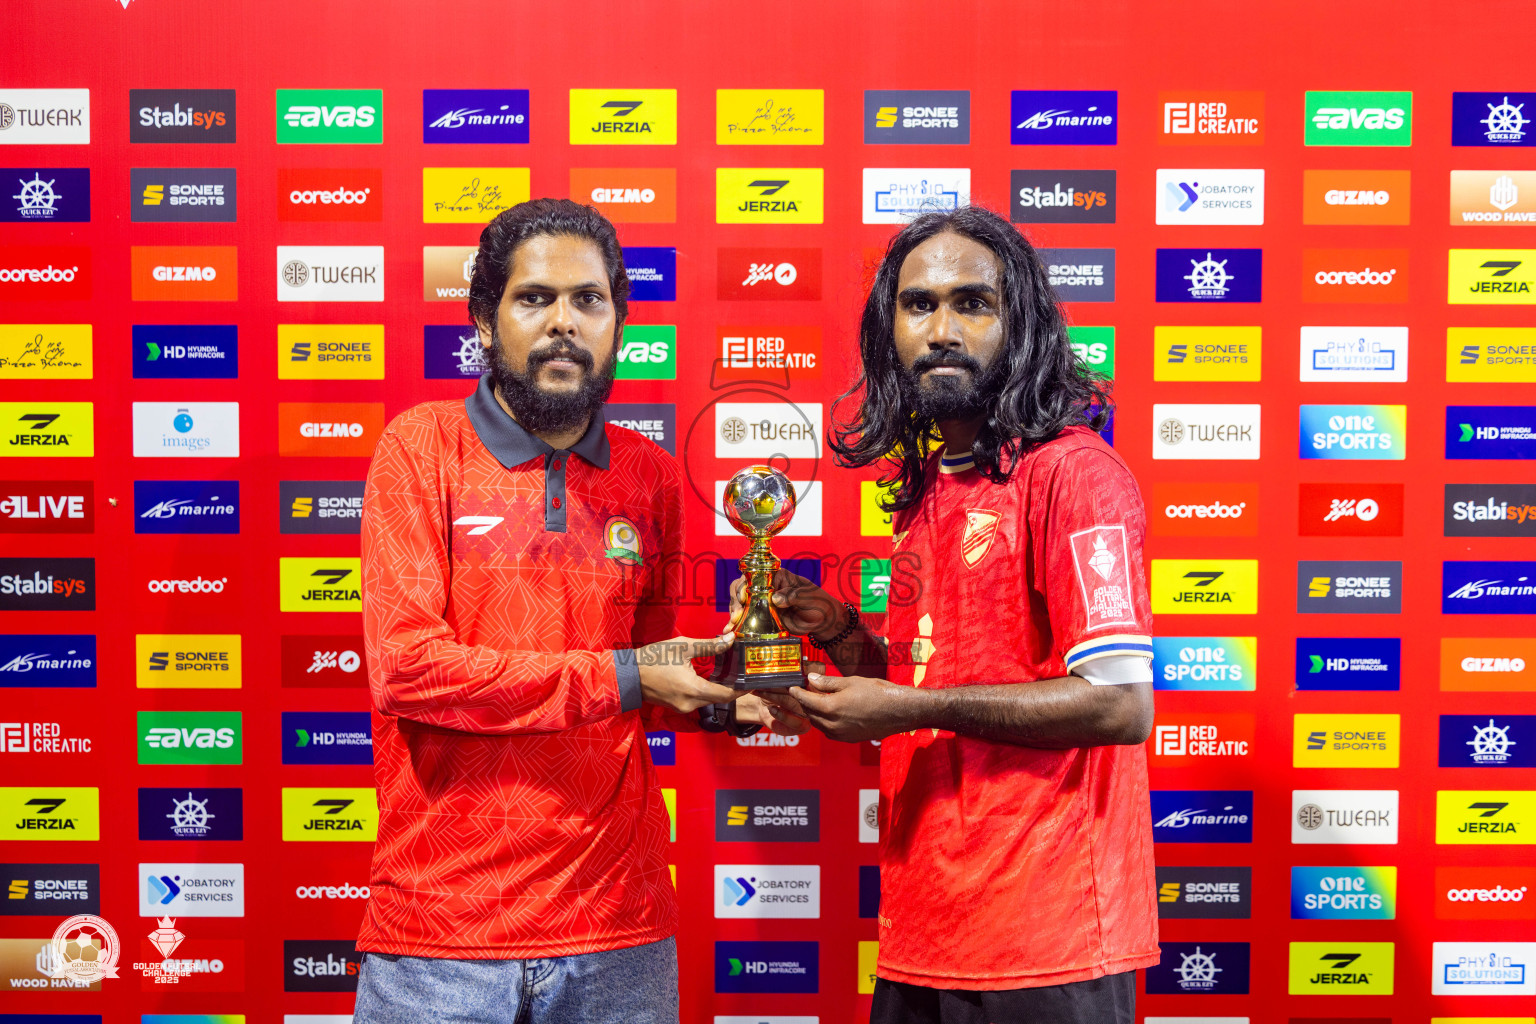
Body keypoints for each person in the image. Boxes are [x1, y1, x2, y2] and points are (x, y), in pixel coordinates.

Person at [355, 198, 793, 1024]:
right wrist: (631, 676)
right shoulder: (421, 448)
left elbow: (665, 675)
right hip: (442, 937)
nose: (564, 323)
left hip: (618, 930)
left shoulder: (651, 473)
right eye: (535, 299)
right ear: (486, 319)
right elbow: (408, 669)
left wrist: (735, 691)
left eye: (589, 301)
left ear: (618, 322)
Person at [747, 205, 1158, 1024]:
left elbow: (1119, 704)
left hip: (1047, 945)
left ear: (1024, 325)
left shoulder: (1074, 473)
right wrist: (835, 632)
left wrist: (909, 708)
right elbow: (925, 684)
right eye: (918, 304)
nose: (941, 329)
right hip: (924, 929)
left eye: (973, 304)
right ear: (886, 329)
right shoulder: (933, 486)